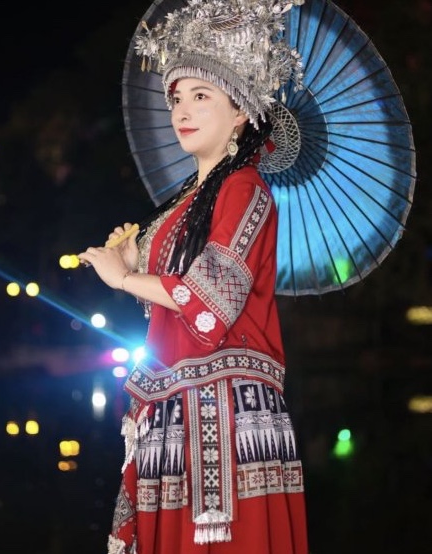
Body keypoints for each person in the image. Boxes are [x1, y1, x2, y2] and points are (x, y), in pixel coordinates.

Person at [78, 0, 308, 552]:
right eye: (176, 98)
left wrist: (124, 280)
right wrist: (135, 262)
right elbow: (175, 299)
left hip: (223, 412)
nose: (182, 109)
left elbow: (211, 298)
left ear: (241, 111)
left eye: (201, 96)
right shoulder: (187, 201)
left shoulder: (245, 188)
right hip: (175, 402)